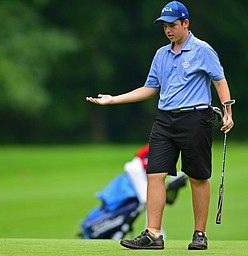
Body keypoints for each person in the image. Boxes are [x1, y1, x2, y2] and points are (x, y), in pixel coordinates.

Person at [86, 0, 234, 250]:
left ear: (185, 23)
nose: (168, 30)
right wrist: (113, 99)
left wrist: (228, 111)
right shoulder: (161, 54)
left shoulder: (202, 50)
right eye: (165, 26)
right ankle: (153, 234)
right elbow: (150, 88)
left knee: (197, 177)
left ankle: (200, 234)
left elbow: (219, 80)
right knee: (154, 173)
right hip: (165, 119)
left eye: (173, 25)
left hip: (195, 118)